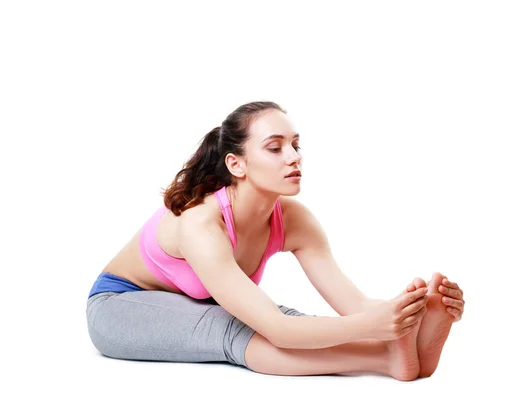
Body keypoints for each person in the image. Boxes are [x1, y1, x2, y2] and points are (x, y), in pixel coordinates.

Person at [86, 101, 465, 381]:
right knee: (242, 327)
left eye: (296, 145)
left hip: (185, 304)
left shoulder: (295, 220)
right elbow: (278, 331)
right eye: (275, 147)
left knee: (276, 315)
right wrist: (378, 328)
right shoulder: (201, 222)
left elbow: (356, 306)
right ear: (237, 164)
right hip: (118, 307)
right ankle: (384, 358)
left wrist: (408, 310)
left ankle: (399, 354)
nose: (293, 157)